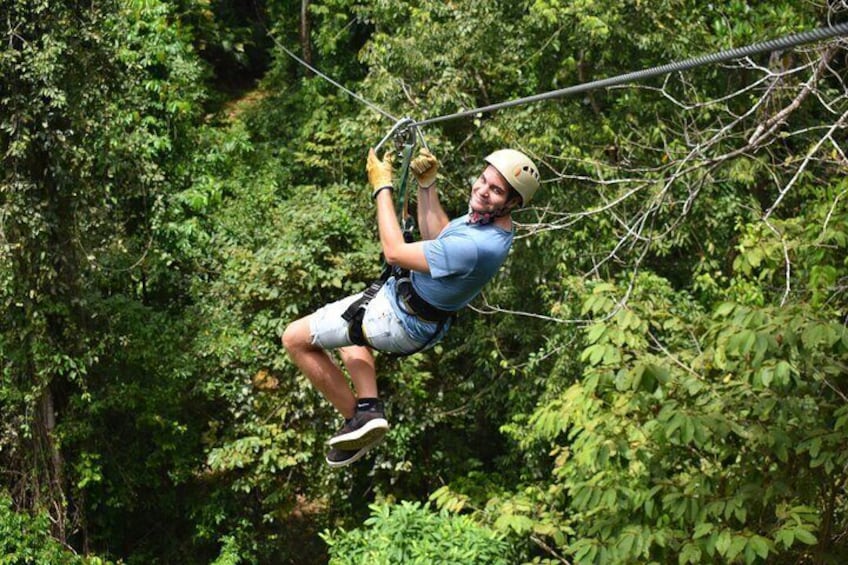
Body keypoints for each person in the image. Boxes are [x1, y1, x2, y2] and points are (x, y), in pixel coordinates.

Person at [282, 145, 540, 468]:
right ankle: (367, 410)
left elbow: (393, 251)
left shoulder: (477, 246)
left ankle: (357, 419)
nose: (483, 190)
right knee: (348, 338)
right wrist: (427, 186)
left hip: (398, 317)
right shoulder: (488, 225)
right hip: (410, 311)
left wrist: (382, 187)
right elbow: (440, 236)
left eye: (496, 190)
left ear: (514, 203)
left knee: (294, 339)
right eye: (484, 180)